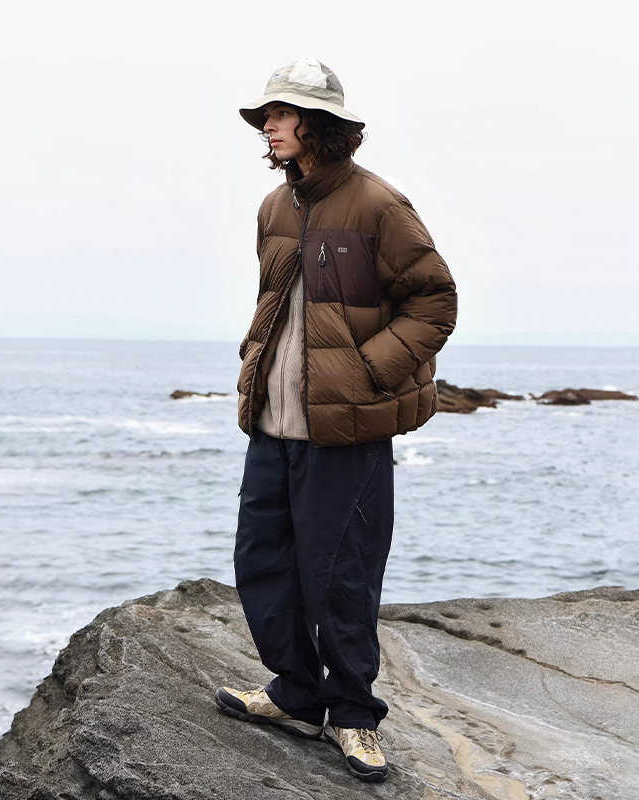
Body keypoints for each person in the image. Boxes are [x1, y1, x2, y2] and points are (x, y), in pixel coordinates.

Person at [214, 58, 457, 783]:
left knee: (343, 578)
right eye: (266, 116)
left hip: (347, 431)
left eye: (282, 114)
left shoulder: (378, 204)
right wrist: (254, 363)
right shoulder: (274, 207)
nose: (269, 126)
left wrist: (369, 372)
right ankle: (296, 693)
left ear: (318, 124)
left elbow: (435, 301)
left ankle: (354, 715)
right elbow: (278, 307)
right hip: (274, 422)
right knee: (263, 562)